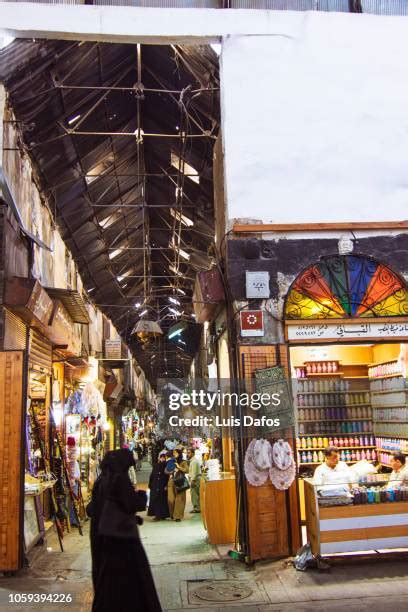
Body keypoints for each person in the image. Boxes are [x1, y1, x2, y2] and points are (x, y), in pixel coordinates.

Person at [87, 449, 162, 612]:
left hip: (103, 539)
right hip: (122, 541)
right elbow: (132, 503)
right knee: (130, 581)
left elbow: (93, 509)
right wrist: (142, 496)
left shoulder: (101, 480)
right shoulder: (119, 479)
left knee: (107, 581)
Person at [166, 447, 189, 522]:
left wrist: (179, 467)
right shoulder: (171, 461)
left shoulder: (183, 462)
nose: (174, 454)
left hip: (180, 482)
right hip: (172, 481)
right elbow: (166, 471)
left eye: (175, 453)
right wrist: (171, 470)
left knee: (179, 500)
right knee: (171, 499)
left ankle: (178, 516)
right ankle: (172, 514)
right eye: (173, 453)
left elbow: (186, 470)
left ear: (179, 454)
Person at [148, 450, 170, 521]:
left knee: (162, 500)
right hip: (156, 485)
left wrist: (166, 485)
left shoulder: (166, 465)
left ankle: (162, 515)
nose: (162, 459)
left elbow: (167, 477)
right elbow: (152, 475)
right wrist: (150, 484)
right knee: (157, 500)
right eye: (161, 458)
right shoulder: (157, 465)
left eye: (164, 458)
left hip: (162, 486)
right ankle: (158, 515)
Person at [187, 448, 201, 513]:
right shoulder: (193, 461)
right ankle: (197, 507)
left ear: (192, 453)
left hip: (195, 480)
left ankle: (197, 508)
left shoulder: (194, 461)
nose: (187, 454)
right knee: (195, 494)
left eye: (189, 453)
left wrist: (192, 480)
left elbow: (194, 472)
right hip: (195, 480)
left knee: (194, 494)